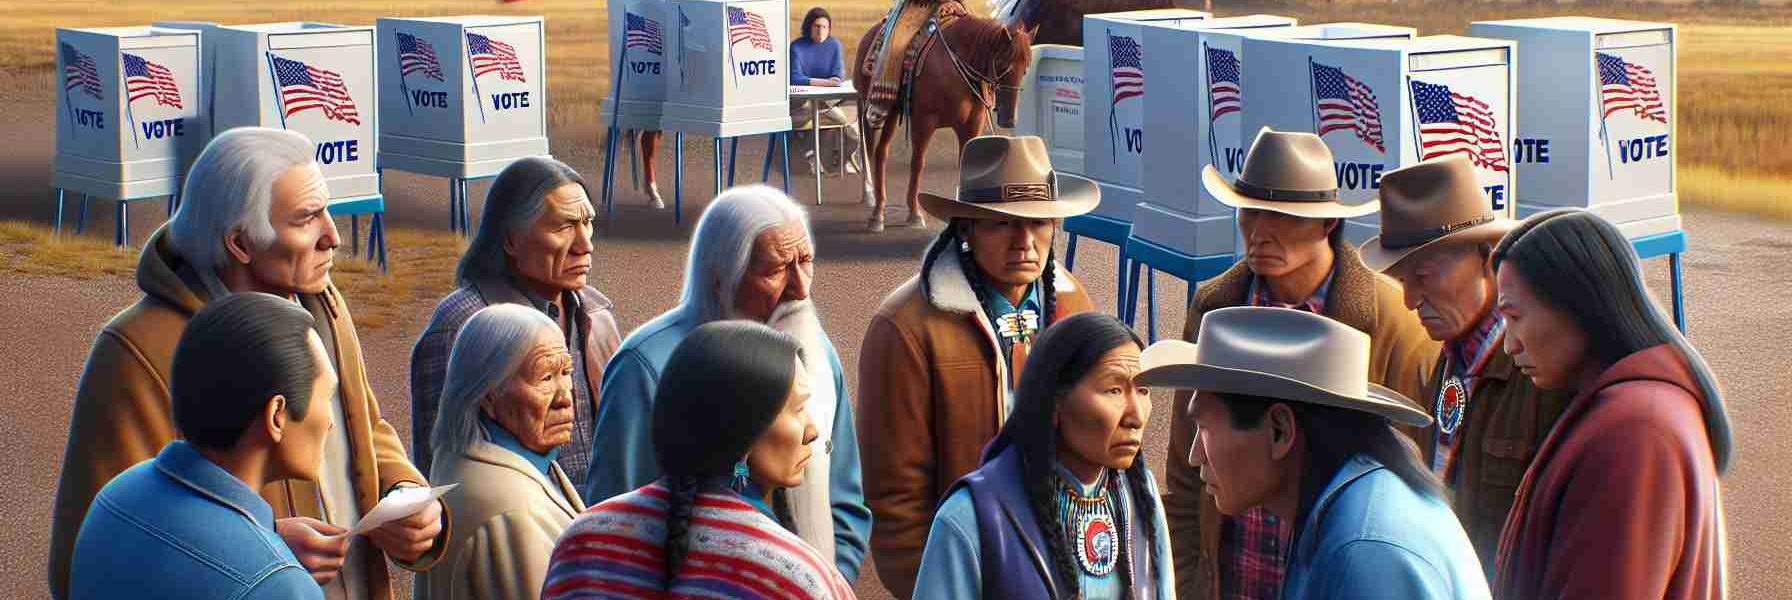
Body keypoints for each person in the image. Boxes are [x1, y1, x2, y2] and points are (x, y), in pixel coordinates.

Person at [48, 128, 447, 600]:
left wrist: (403, 492)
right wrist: (261, 547)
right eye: (307, 218)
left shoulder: (322, 306)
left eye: (327, 211)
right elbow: (102, 547)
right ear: (241, 242)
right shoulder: (136, 349)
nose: (334, 237)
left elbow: (363, 425)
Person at [1164, 127, 1437, 600]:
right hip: (1233, 578)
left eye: (1283, 216)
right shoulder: (1214, 307)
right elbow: (1186, 471)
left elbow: (1414, 473)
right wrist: (1191, 585)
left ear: (1327, 224)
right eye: (1250, 211)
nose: (1260, 231)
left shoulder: (1394, 322)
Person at [585, 184, 870, 580]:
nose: (800, 287)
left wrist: (829, 579)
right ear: (720, 279)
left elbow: (845, 499)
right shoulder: (645, 365)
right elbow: (614, 524)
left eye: (805, 261)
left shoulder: (815, 352)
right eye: (775, 269)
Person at [858, 134, 1098, 597]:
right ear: (966, 228)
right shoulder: (905, 327)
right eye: (1002, 224)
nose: (1025, 242)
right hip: (968, 569)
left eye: (1040, 223)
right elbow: (896, 500)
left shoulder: (1075, 306)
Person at [1141, 306, 1489, 599]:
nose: (1194, 456)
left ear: (1280, 430)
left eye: (1204, 427)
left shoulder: (1366, 554)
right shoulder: (1350, 500)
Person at [1488, 210, 1731, 600]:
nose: (1509, 344)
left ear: (1579, 304)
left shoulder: (1635, 433)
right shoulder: (1634, 412)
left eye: (1514, 317)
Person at [1356, 156, 1573, 567]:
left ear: (1487, 258)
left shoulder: (1545, 374)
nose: (1410, 301)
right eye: (1402, 281)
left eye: (1424, 275)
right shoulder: (1444, 365)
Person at [543, 321, 857, 599]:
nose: (813, 431)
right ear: (743, 432)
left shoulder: (582, 543)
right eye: (799, 409)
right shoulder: (798, 580)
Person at [68, 293, 334, 599]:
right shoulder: (281, 586)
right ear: (277, 415)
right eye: (327, 397)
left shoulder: (117, 494)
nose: (330, 422)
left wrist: (266, 537)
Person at [913, 313, 1174, 599]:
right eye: (1114, 390)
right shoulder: (973, 516)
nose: (1136, 415)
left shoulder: (1139, 495)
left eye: (1144, 390)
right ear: (1054, 402)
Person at [410, 156, 622, 494]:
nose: (585, 245)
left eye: (587, 223)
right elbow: (439, 471)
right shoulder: (461, 325)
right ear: (510, 239)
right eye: (564, 226)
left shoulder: (596, 314)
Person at [416, 305, 588, 599]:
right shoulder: (511, 513)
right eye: (546, 378)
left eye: (566, 372)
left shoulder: (468, 455)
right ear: (488, 393)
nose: (565, 397)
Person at [790, 6, 873, 198]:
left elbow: (838, 75)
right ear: (808, 27)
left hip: (827, 100)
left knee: (854, 115)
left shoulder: (834, 45)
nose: (821, 31)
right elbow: (795, 78)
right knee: (834, 117)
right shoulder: (797, 47)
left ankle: (847, 164)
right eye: (817, 26)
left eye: (825, 27)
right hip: (803, 102)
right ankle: (824, 157)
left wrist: (829, 84)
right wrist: (825, 83)